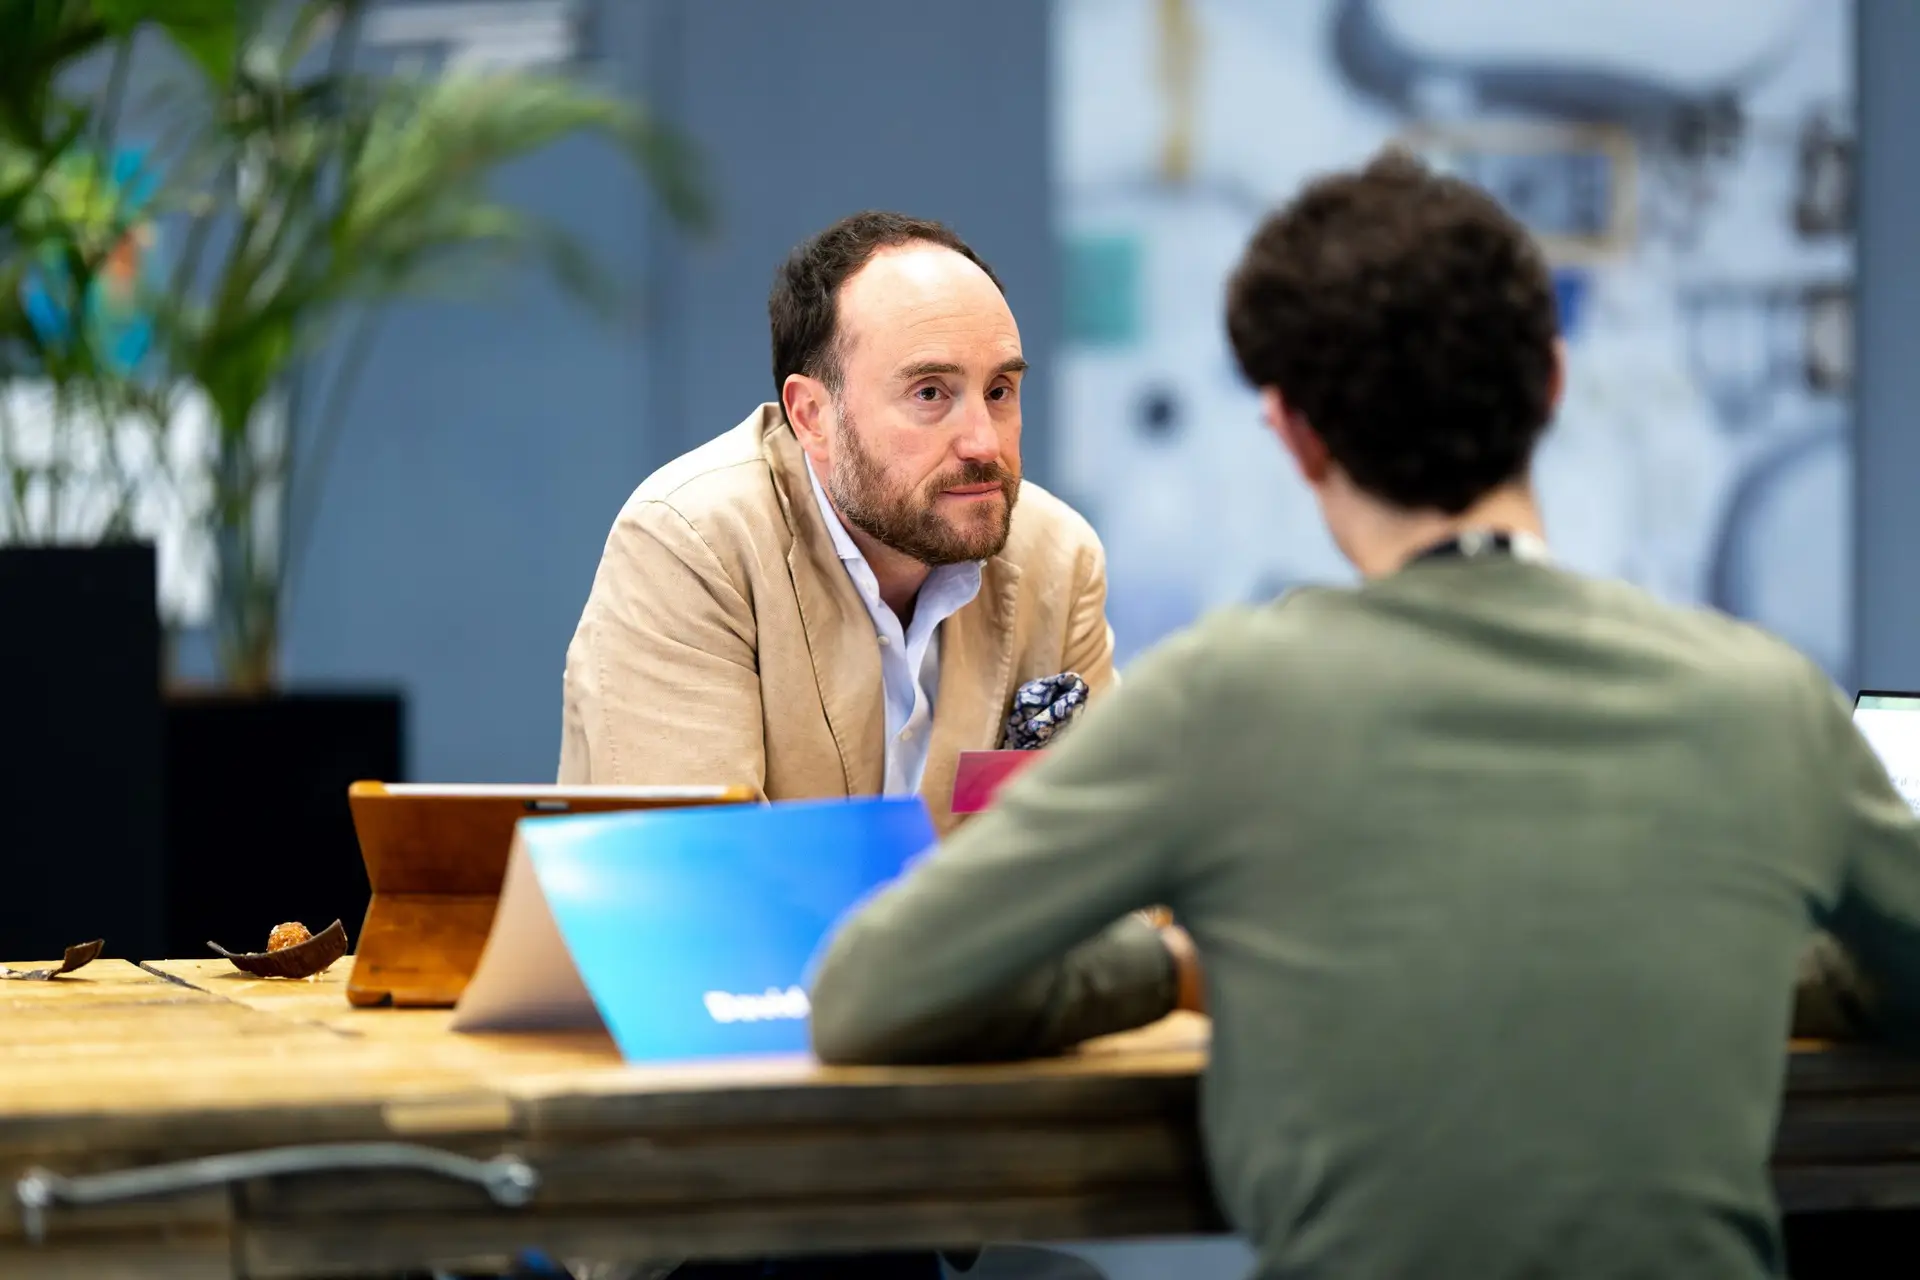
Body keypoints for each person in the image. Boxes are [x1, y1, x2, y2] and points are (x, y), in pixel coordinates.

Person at [808, 152, 1920, 1279]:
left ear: (1294, 431)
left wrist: (1179, 964)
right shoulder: (1766, 702)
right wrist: (1720, 956)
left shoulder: (1228, 699)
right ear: (1551, 382)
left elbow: (870, 991)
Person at [558, 211, 1114, 834]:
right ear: (812, 417)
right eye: (930, 393)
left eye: (1000, 390)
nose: (983, 443)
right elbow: (697, 870)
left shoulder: (1057, 557)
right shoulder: (692, 544)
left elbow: (1108, 853)